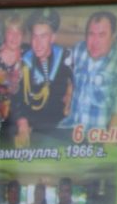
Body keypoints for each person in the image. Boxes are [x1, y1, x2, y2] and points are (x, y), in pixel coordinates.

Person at [14, 9, 73, 141]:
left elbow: (79, 80)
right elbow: (16, 96)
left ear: (52, 37)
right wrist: (22, 123)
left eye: (43, 36)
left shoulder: (65, 58)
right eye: (35, 36)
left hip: (57, 127)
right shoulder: (24, 60)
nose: (37, 43)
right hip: (29, 124)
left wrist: (70, 93)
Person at [64, 10, 117, 132]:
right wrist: (69, 94)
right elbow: (70, 78)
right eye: (91, 34)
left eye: (102, 35)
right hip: (69, 129)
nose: (95, 41)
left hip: (97, 139)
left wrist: (109, 149)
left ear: (113, 37)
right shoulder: (79, 50)